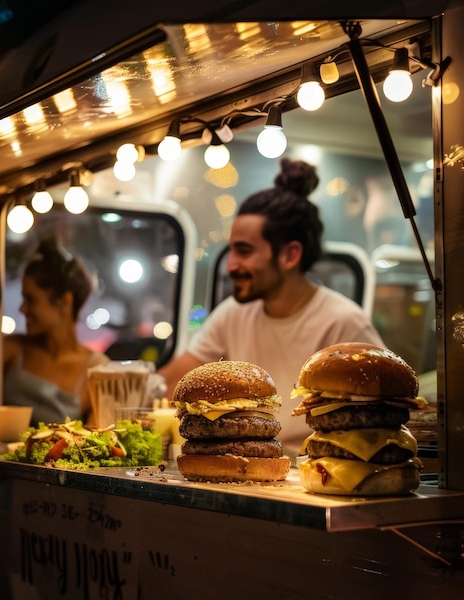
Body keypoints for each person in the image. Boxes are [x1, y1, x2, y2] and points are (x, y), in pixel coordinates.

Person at [158, 159, 385, 455]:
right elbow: (174, 380)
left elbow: (381, 416)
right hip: (244, 464)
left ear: (290, 255)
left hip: (314, 470)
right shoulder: (233, 313)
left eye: (244, 251)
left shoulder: (343, 323)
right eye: (231, 250)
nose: (230, 266)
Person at [2, 237, 109, 427]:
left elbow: (97, 438)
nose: (22, 309)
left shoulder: (97, 369)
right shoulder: (10, 349)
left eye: (31, 299)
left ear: (65, 302)